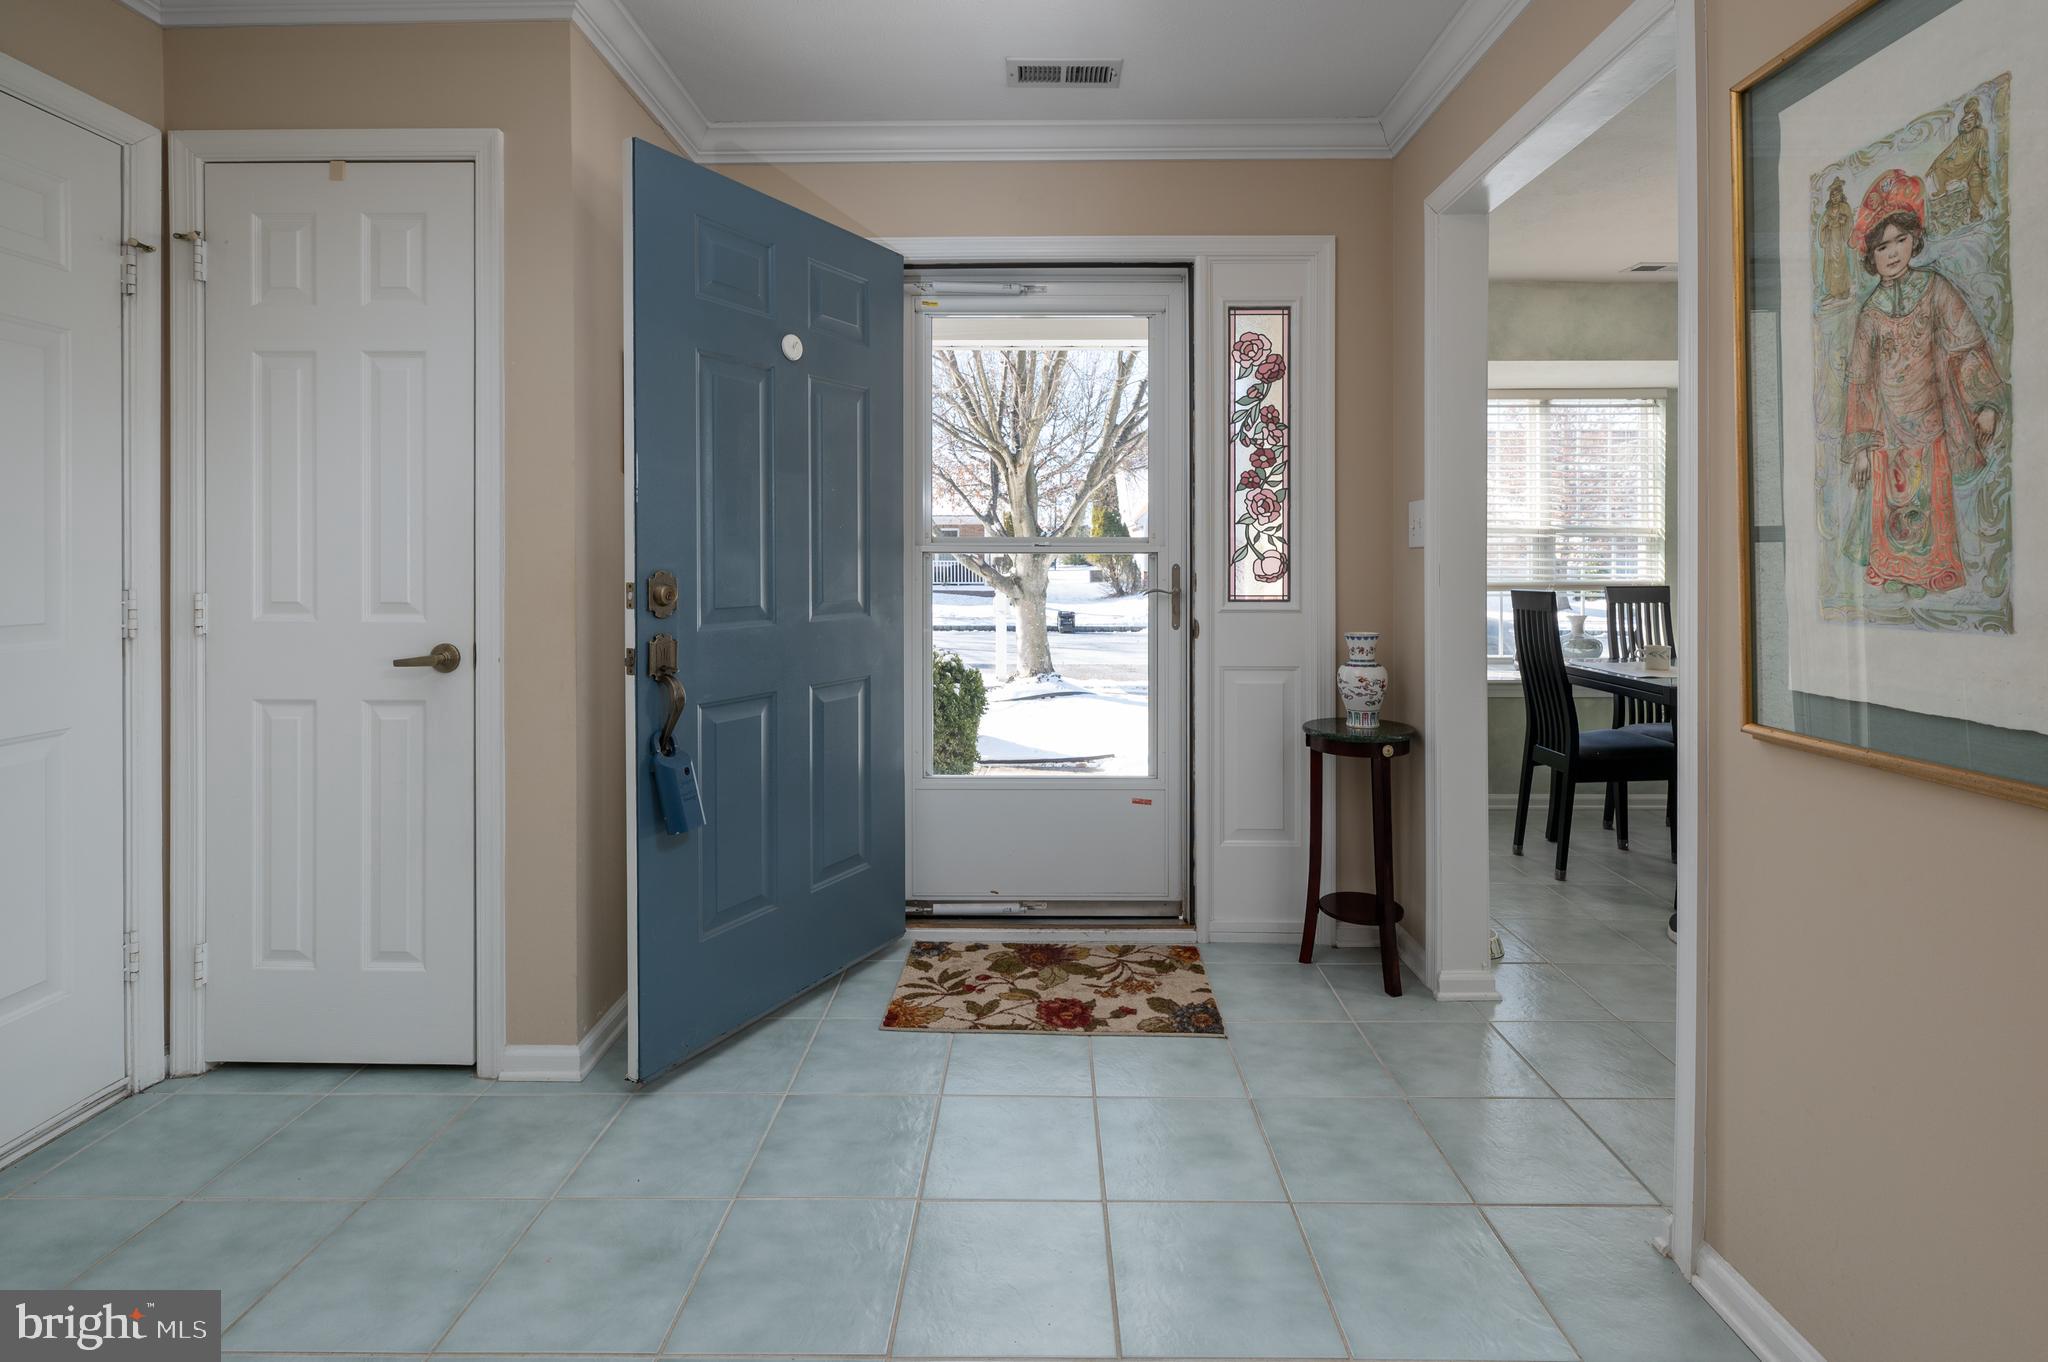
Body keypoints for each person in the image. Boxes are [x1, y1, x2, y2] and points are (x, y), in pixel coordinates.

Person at [1841, 170, 2007, 598]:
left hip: (1932, 420)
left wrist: (1986, 403)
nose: (1892, 253)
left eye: (1899, 240)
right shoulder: (1869, 314)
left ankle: (1933, 573)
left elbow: (1966, 346)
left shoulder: (1936, 289)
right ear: (1871, 257)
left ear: (1914, 240)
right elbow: (1858, 380)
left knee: (1930, 500)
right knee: (1891, 504)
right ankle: (1893, 570)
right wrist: (1860, 447)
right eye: (1882, 246)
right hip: (1885, 432)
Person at [1820, 177, 1853, 299]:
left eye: (1837, 195)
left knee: (1842, 263)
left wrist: (1844, 222)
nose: (1835, 197)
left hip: (1840, 239)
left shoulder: (1845, 207)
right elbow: (1822, 225)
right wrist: (1827, 226)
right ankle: (1834, 292)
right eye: (1832, 195)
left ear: (1841, 195)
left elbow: (1849, 221)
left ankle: (1844, 290)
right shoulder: (1828, 211)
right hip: (1831, 242)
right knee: (1832, 265)